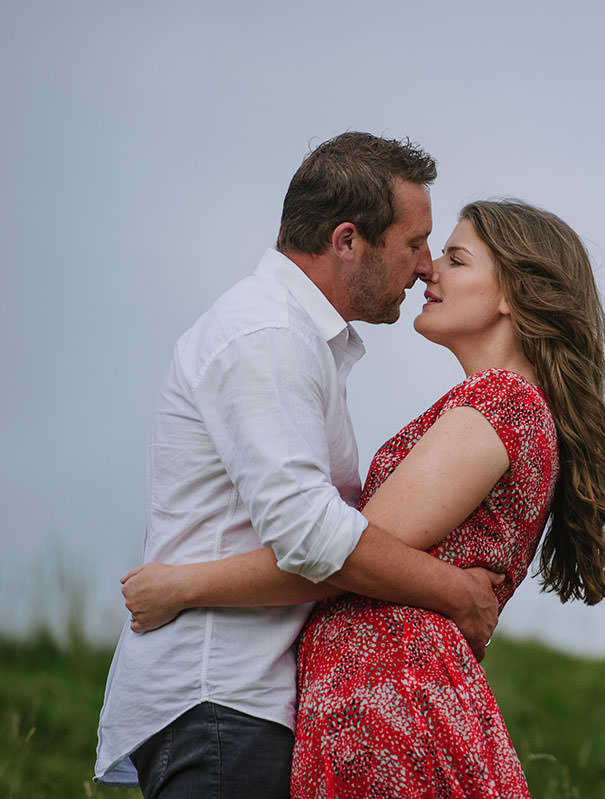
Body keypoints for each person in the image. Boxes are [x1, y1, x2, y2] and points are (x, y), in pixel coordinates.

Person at [120, 199, 605, 798]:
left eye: (456, 258)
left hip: (391, 703)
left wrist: (182, 586)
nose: (429, 269)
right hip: (383, 698)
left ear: (511, 296)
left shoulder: (499, 407)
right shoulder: (503, 408)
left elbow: (338, 558)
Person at [94, 133, 504, 796]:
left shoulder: (296, 340)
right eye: (414, 243)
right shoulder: (267, 335)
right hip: (224, 703)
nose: (425, 266)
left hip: (245, 709)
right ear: (347, 240)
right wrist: (454, 591)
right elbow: (313, 537)